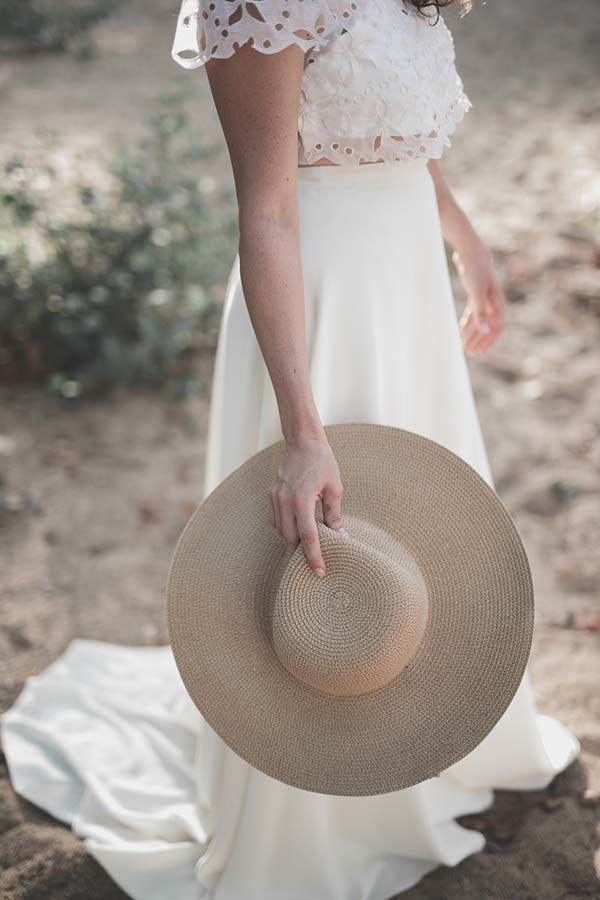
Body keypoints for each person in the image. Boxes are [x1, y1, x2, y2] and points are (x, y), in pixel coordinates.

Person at [1, 0, 581, 897]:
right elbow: (266, 210)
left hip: (404, 291)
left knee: (409, 551)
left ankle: (419, 749)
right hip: (315, 303)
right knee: (323, 568)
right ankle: (311, 799)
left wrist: (463, 239)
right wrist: (302, 433)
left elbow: (396, 140)